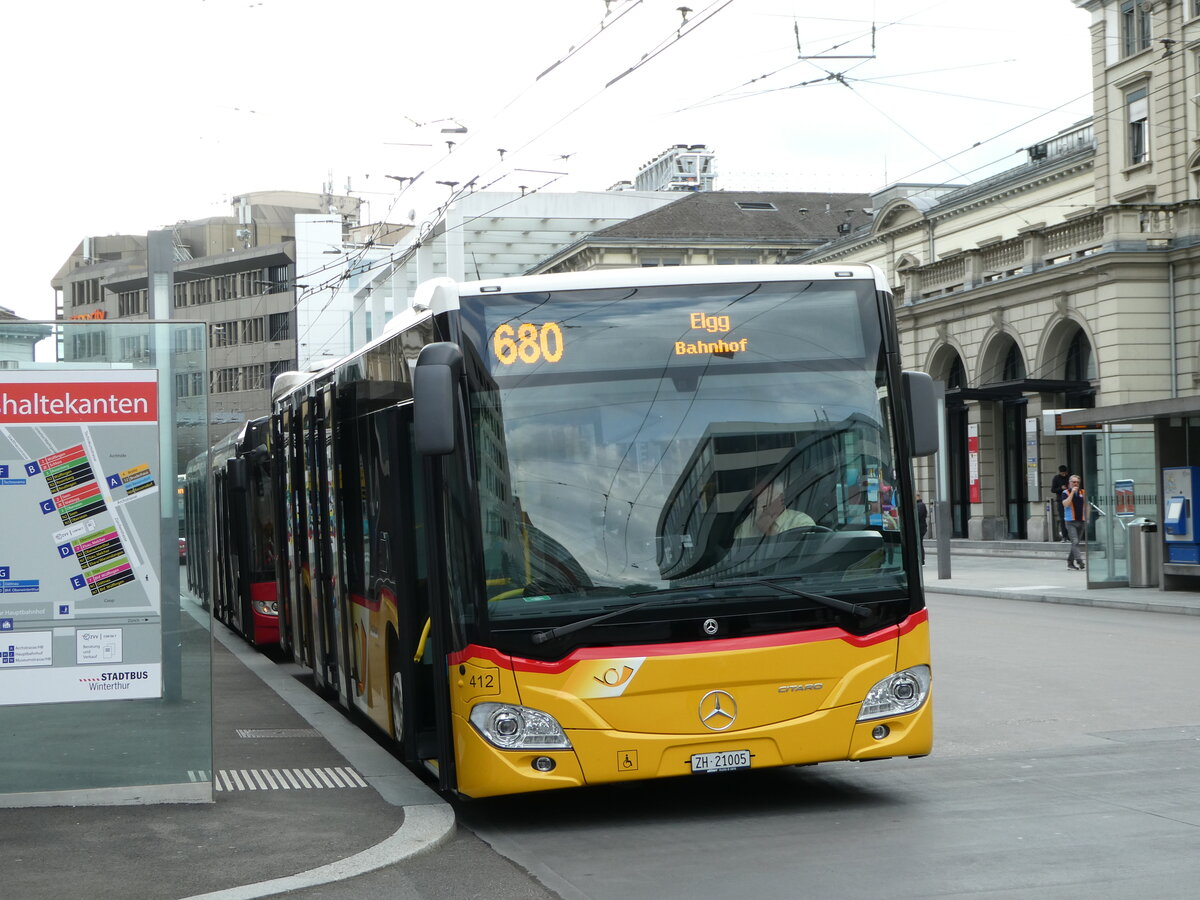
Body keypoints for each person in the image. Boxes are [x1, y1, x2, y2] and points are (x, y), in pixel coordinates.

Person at [735, 477, 814, 539]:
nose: (759, 500)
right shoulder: (744, 528)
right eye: (756, 498)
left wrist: (769, 531)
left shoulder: (801, 522)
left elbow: (803, 556)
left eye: (766, 495)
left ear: (781, 497)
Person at [1061, 475, 1087, 570]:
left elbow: (1087, 505)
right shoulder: (1065, 492)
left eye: (1077, 482)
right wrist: (1072, 492)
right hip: (1070, 521)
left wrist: (1086, 518)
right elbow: (1065, 504)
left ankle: (1070, 562)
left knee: (1076, 543)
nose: (1075, 484)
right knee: (1075, 541)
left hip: (1081, 520)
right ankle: (1079, 561)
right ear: (1069, 483)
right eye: (1073, 482)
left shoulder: (1083, 492)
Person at [1050, 465, 1070, 542]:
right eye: (1062, 473)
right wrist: (1060, 488)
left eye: (1065, 473)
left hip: (1069, 500)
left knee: (1070, 518)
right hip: (1060, 500)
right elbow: (1053, 489)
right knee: (1062, 518)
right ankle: (1064, 536)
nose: (1064, 475)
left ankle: (1069, 536)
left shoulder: (1069, 478)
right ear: (1060, 472)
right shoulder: (1056, 478)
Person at [916, 493, 928, 563]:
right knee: (919, 543)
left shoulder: (920, 505)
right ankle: (921, 559)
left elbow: (917, 515)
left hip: (920, 527)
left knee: (919, 543)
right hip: (921, 527)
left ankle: (921, 559)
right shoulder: (919, 505)